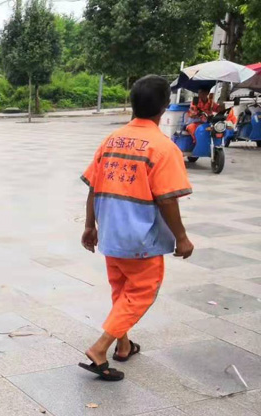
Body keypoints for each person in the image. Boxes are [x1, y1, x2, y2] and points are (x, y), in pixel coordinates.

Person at [79, 75, 194, 382]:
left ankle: (124, 345)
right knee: (142, 292)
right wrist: (181, 238)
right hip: (140, 239)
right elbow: (168, 200)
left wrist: (90, 226)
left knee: (122, 292)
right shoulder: (162, 147)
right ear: (164, 107)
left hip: (111, 236)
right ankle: (101, 347)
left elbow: (93, 186)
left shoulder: (111, 140)